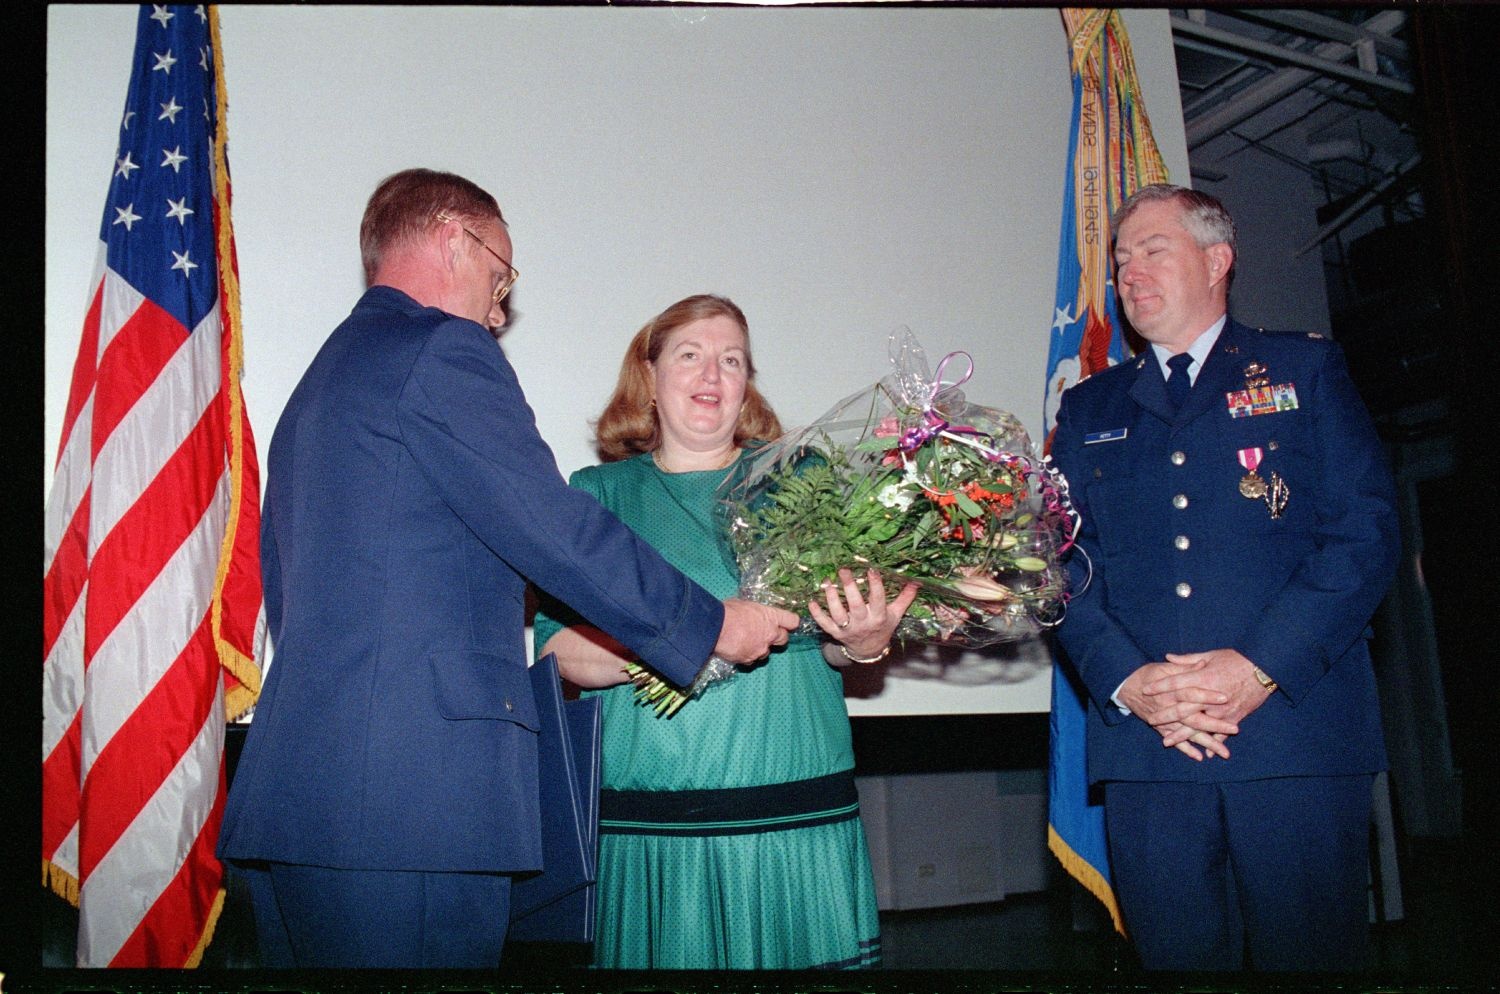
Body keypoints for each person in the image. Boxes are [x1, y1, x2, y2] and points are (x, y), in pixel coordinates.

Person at [215, 170, 799, 969]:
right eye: (500, 277)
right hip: (411, 812)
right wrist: (711, 622)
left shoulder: (322, 383)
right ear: (455, 240)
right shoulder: (441, 350)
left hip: (302, 802)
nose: (500, 309)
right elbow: (550, 525)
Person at [1049, 184, 1399, 971]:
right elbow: (1059, 559)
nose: (1129, 272)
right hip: (1148, 745)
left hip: (1291, 740)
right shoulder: (1089, 407)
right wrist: (1128, 680)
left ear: (1217, 260)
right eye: (1120, 258)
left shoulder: (1302, 369)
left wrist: (1259, 666)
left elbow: (1364, 535)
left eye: (1152, 249)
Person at [532, 294, 918, 970]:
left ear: (746, 389)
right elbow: (559, 653)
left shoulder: (803, 482)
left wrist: (862, 640)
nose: (712, 374)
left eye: (732, 360)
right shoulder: (599, 495)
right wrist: (700, 632)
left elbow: (833, 640)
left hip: (798, 824)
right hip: (654, 838)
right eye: (691, 355)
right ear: (649, 379)